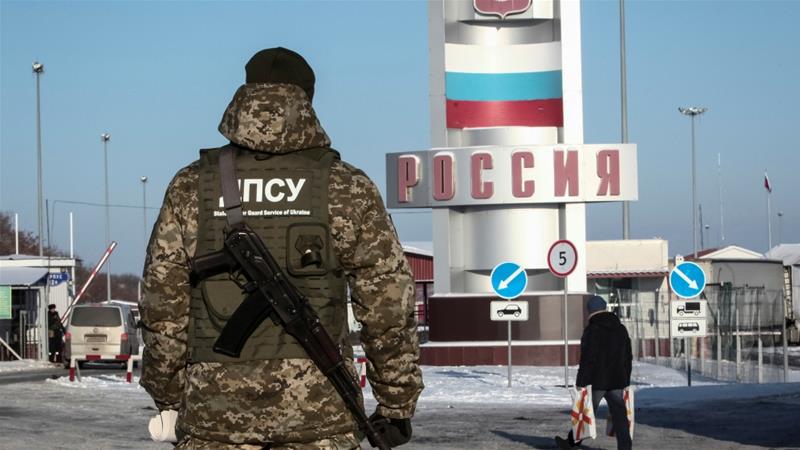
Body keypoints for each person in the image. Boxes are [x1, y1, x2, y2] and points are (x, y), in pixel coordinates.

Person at [139, 47, 423, 449]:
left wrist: (168, 393)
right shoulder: (346, 187)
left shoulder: (191, 187)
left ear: (247, 94)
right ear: (306, 99)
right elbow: (388, 304)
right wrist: (396, 404)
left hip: (214, 417)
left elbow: (161, 301)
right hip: (321, 416)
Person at [556, 296, 633, 450]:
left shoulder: (592, 330)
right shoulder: (621, 329)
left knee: (585, 413)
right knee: (620, 418)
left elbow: (588, 359)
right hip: (617, 380)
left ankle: (571, 443)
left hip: (596, 382)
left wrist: (581, 382)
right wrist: (626, 379)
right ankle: (625, 448)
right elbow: (627, 356)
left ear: (590, 311)